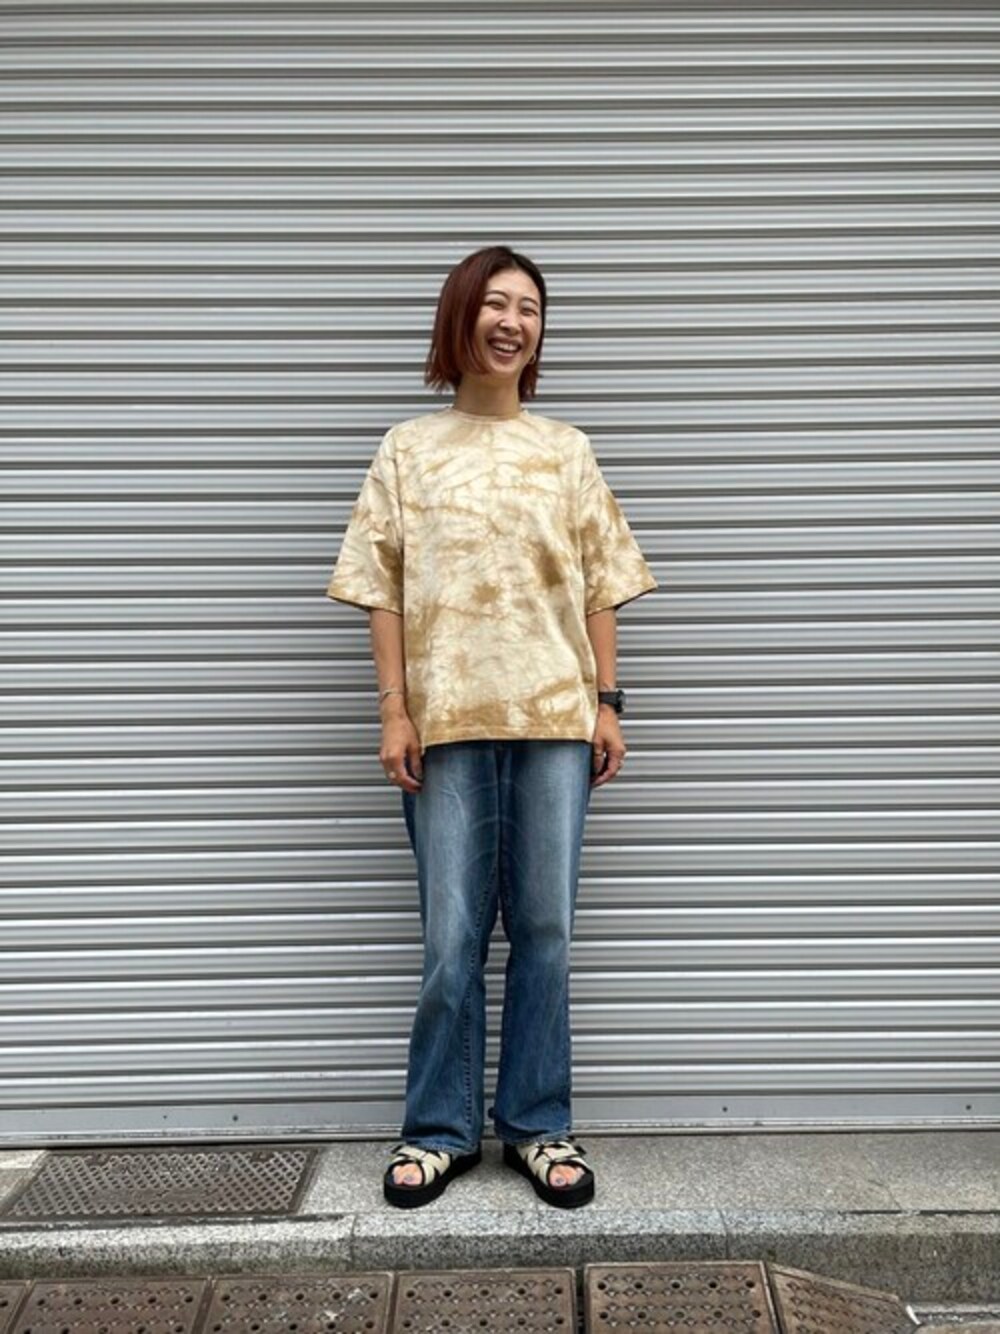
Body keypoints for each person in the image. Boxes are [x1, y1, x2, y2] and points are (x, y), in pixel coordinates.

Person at [326, 245, 658, 1210]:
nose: (514, 323)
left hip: (554, 718)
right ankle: (438, 1130)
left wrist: (607, 702)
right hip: (447, 724)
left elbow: (601, 585)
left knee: (546, 928)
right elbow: (381, 588)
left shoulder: (566, 450)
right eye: (496, 304)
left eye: (531, 309)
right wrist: (394, 708)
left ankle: (539, 1125)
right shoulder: (408, 449)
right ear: (460, 317)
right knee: (452, 936)